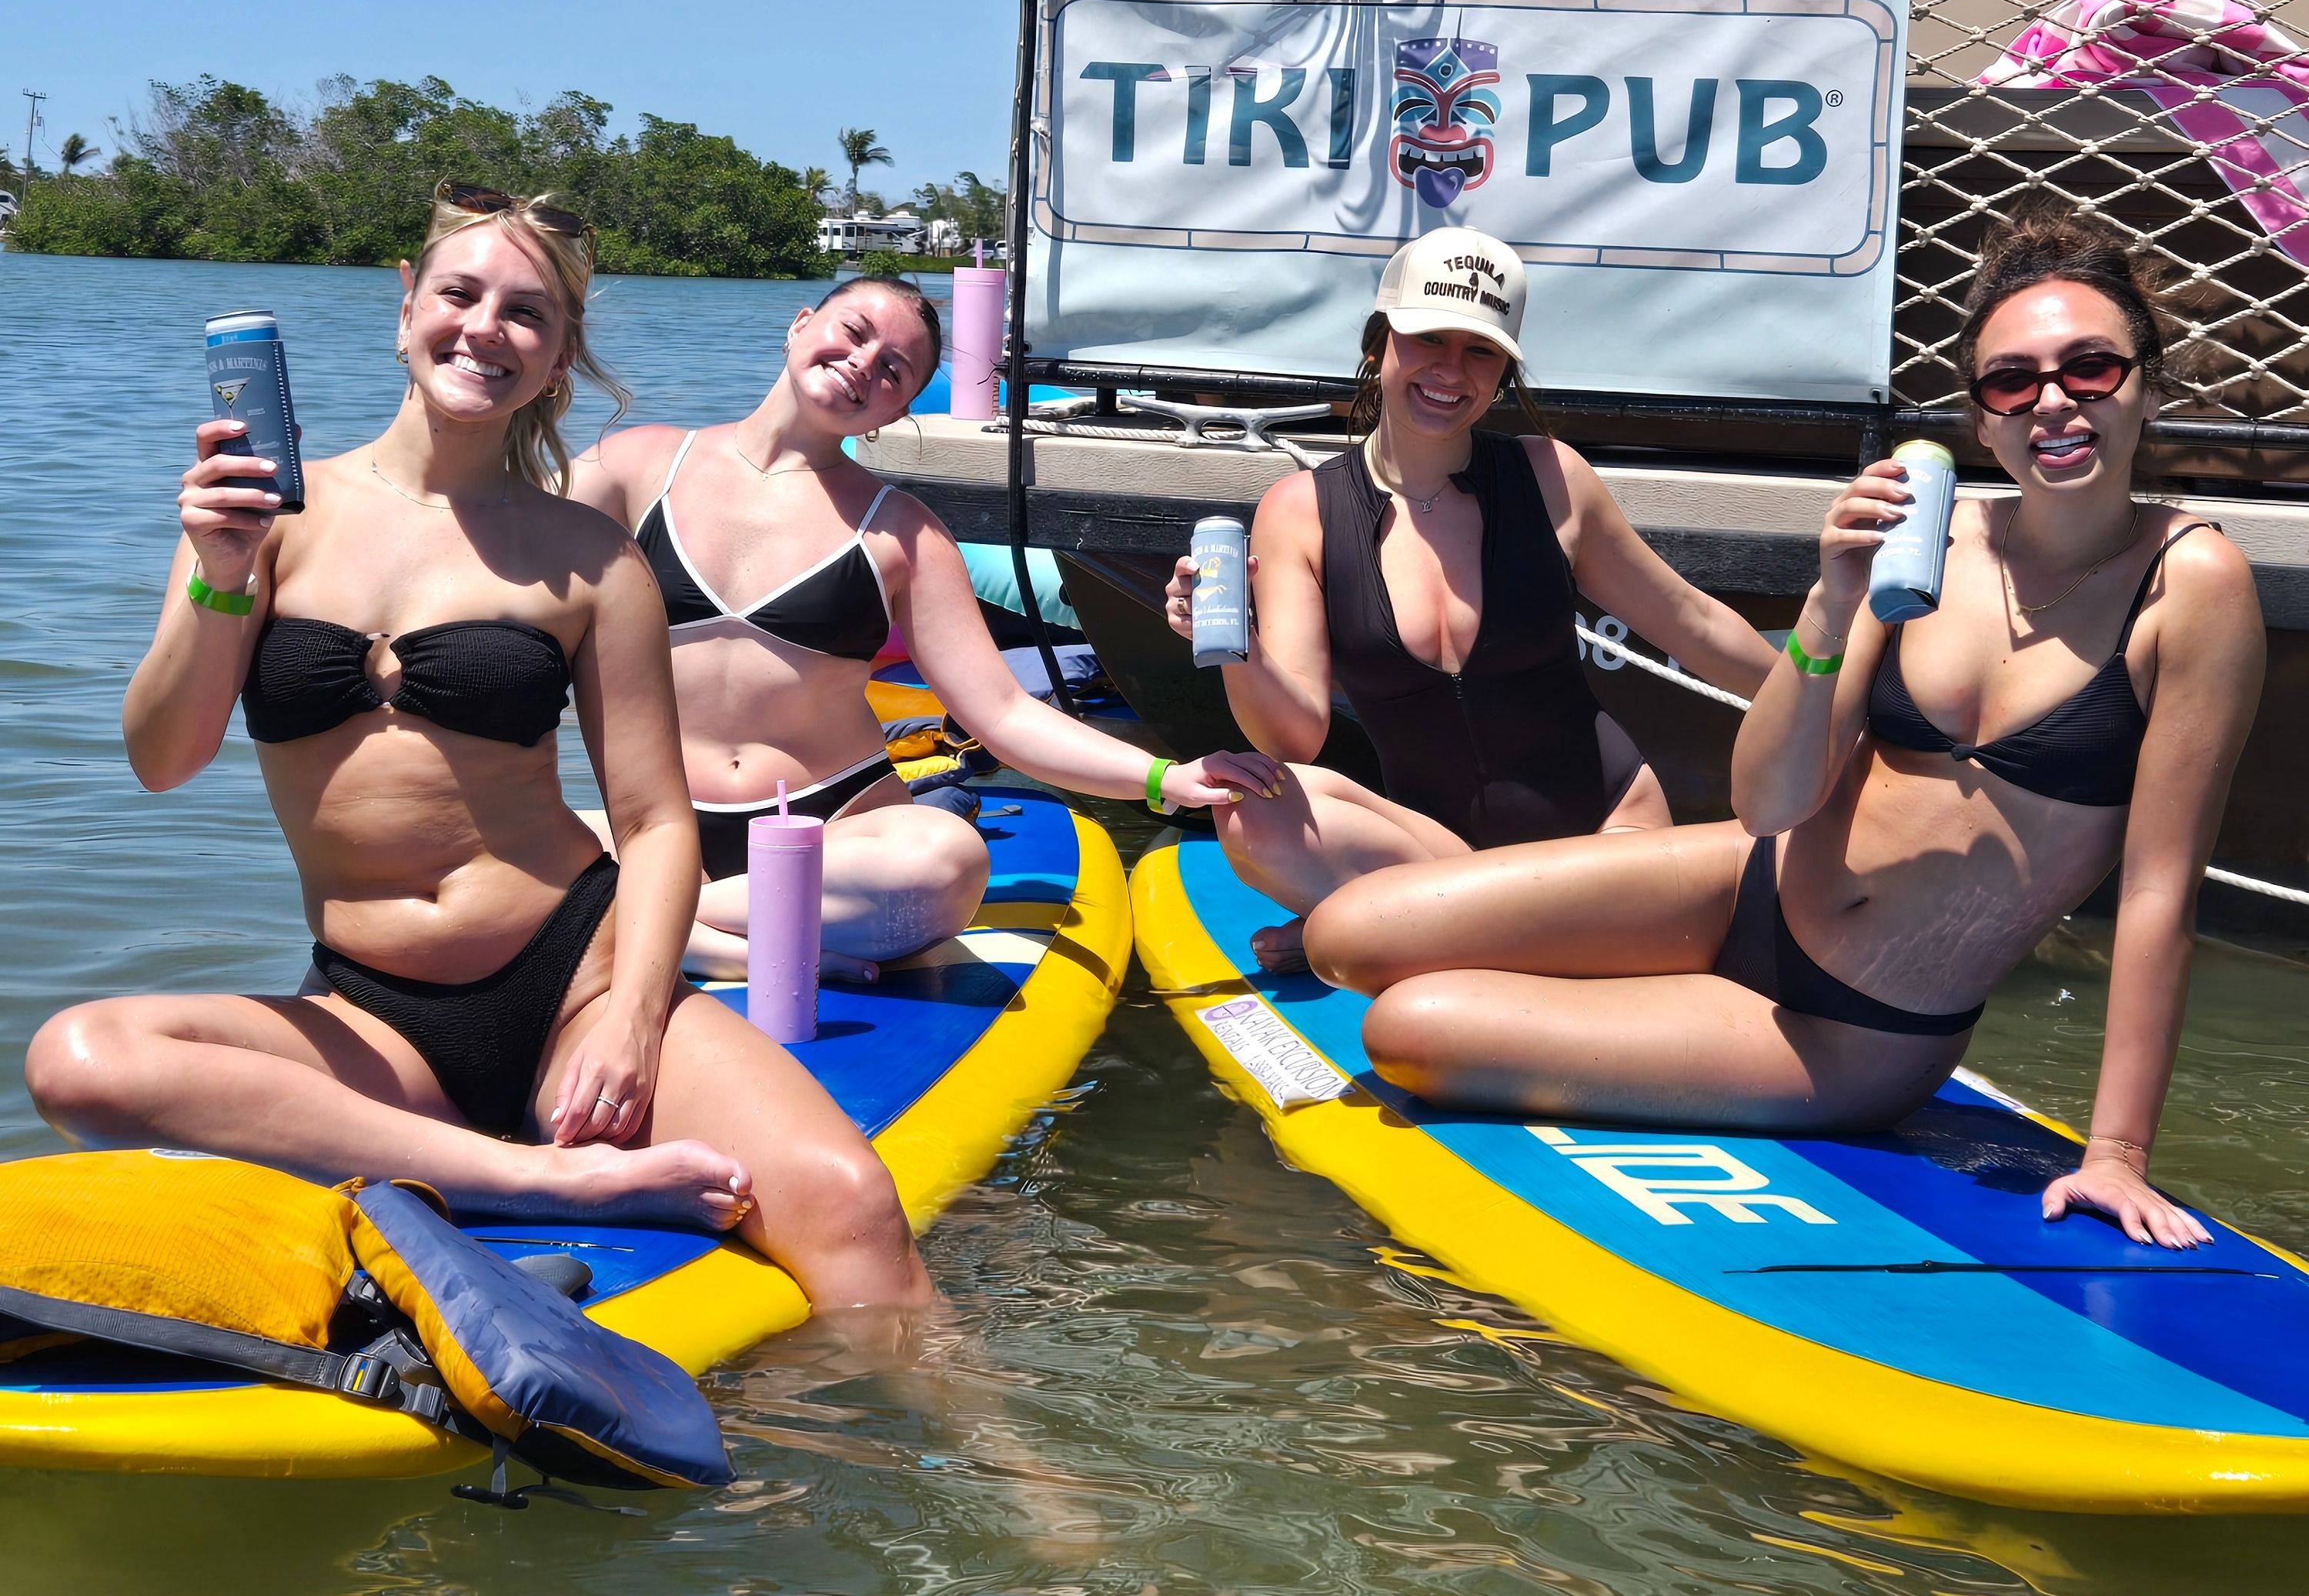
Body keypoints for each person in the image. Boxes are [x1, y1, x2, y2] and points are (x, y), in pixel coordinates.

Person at [29, 185, 934, 1321]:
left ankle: (1014, 1481)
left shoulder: (590, 558)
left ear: (558, 356)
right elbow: (164, 759)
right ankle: (536, 1176)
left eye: (528, 314)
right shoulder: (265, 520)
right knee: (81, 1059)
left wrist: (632, 1018)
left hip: (571, 976)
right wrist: (218, 568)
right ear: (406, 306)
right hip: (371, 1018)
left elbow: (656, 827)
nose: (485, 329)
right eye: (459, 294)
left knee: (848, 1202)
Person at [1304, 199, 2265, 1250]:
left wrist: (2116, 1157)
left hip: (1850, 1030)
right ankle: (1643, 994)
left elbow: (2161, 890)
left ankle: (1649, 1014)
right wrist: (1831, 601)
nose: (2055, 404)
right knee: (1346, 937)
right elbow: (1769, 798)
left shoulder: (2192, 585)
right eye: (2013, 381)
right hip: (1742, 879)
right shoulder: (1932, 543)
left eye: (2091, 368)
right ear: (1981, 415)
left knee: (1405, 1029)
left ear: (2148, 384)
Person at [573, 274, 1277, 972]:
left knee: (946, 859)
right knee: (482, 832)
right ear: (799, 324)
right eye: (854, 332)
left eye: (893, 371)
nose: (863, 363)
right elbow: (492, 590)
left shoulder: (904, 536)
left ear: (893, 413)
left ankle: (647, 920)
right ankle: (731, 943)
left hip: (834, 831)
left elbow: (1002, 711)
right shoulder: (634, 469)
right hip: (653, 821)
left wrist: (1164, 778)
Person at [1161, 229, 1780, 961]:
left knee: (1370, 926)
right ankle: (1455, 934)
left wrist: (1838, 710)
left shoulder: (1553, 477)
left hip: (1606, 843)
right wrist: (1237, 646)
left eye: (1480, 349)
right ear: (1377, 345)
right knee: (1251, 813)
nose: (1450, 370)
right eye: (1428, 337)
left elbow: (1691, 621)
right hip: (1440, 854)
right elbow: (1292, 739)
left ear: (1504, 372)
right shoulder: (1300, 509)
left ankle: (1389, 931)